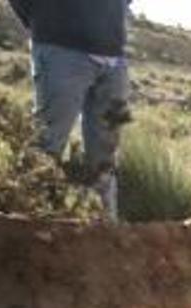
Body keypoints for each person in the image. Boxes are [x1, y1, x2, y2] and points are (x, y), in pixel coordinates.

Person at [7, 0, 132, 221]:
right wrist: (46, 21)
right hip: (60, 48)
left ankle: (104, 230)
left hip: (114, 56)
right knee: (48, 141)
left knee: (107, 152)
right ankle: (29, 221)